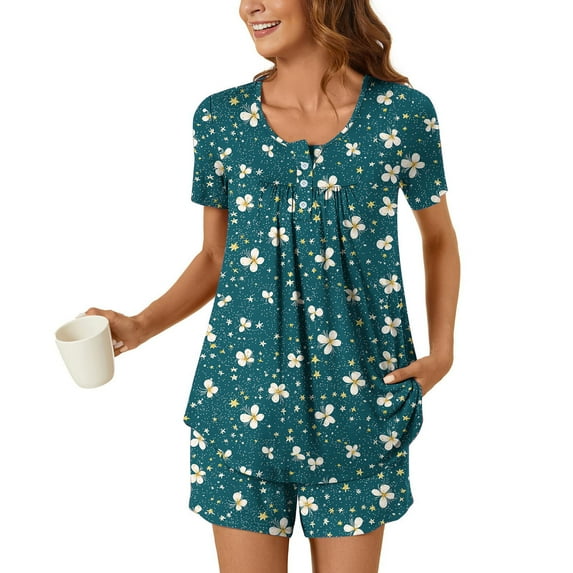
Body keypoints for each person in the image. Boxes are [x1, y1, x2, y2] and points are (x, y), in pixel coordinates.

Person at [88, 1, 460, 571]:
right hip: (243, 403)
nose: (248, 6)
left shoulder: (402, 114)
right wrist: (138, 327)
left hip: (360, 401)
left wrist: (444, 353)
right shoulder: (221, 119)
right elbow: (215, 257)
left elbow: (438, 237)